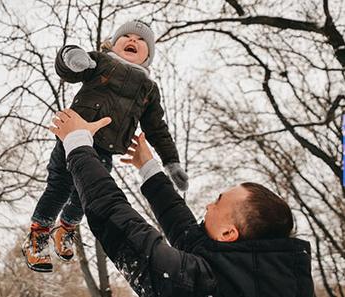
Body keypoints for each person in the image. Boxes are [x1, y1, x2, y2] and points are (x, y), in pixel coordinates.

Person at [48, 108, 314, 296]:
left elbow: (124, 229)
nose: (209, 206)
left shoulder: (213, 287)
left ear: (229, 233)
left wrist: (78, 143)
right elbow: (188, 234)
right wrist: (148, 167)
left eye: (217, 203)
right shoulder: (258, 271)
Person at [23, 20, 189, 272]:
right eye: (127, 36)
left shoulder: (148, 89)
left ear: (148, 55)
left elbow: (156, 128)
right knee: (59, 187)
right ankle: (39, 234)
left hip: (104, 150)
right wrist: (72, 57)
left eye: (141, 40)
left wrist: (171, 161)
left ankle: (66, 228)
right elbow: (68, 69)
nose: (133, 40)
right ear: (113, 43)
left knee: (85, 195)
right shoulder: (101, 62)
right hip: (73, 135)